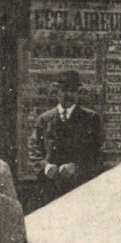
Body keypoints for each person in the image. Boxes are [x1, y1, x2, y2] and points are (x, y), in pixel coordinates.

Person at [28, 71, 102, 205]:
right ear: (56, 92)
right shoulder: (44, 119)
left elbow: (96, 153)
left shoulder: (91, 119)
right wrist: (45, 166)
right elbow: (34, 150)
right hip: (50, 189)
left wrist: (76, 167)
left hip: (79, 188)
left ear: (78, 93)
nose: (68, 94)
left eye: (73, 90)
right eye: (64, 90)